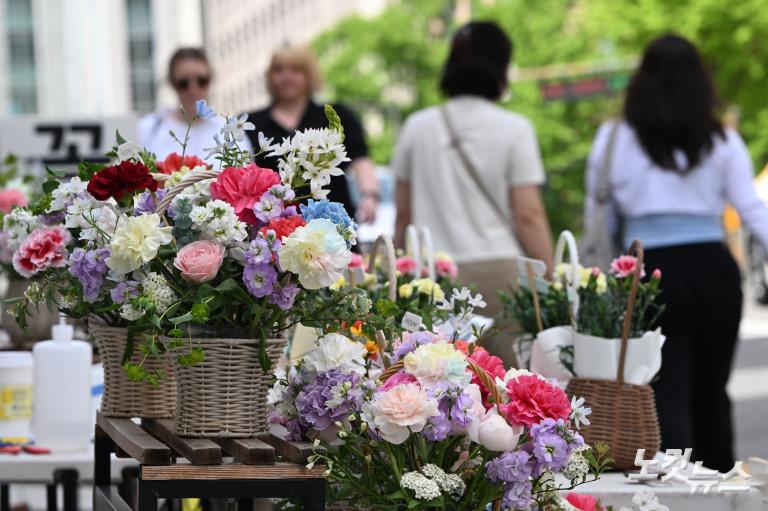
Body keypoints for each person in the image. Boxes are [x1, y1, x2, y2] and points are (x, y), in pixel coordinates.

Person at [584, 34, 768, 472]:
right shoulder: (720, 139)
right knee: (712, 390)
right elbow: (751, 210)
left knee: (662, 391)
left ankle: (672, 492)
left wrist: (599, 281)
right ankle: (720, 488)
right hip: (713, 269)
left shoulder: (613, 138)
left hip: (646, 271)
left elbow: (599, 216)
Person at [392, 21, 554, 363]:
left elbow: (404, 215)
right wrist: (550, 274)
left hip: (435, 275)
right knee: (512, 386)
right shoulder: (515, 128)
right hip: (502, 274)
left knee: (443, 385)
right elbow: (528, 215)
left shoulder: (416, 127)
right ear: (501, 67)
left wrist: (396, 273)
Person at [245, 45, 378, 223]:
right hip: (274, 227)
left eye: (295, 70)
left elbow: (360, 158)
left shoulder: (336, 115)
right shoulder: (252, 123)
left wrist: (369, 196)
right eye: (279, 70)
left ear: (309, 76)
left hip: (333, 225)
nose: (287, 76)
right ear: (269, 77)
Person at [137, 48, 250, 163]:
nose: (193, 89)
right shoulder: (148, 128)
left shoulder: (229, 132)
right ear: (172, 83)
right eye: (183, 83)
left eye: (202, 81)